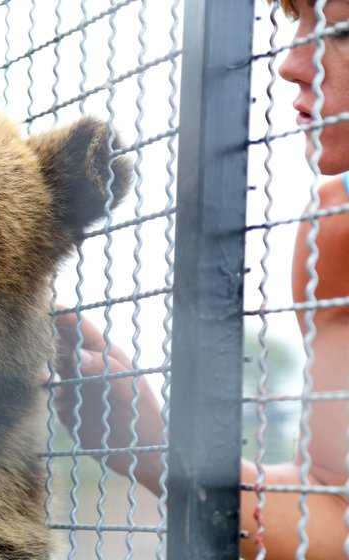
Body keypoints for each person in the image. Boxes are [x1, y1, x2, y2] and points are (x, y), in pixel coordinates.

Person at [52, 0, 349, 558]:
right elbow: (330, 510)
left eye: (342, 30)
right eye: (297, 24)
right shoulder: (334, 236)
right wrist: (156, 449)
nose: (290, 63)